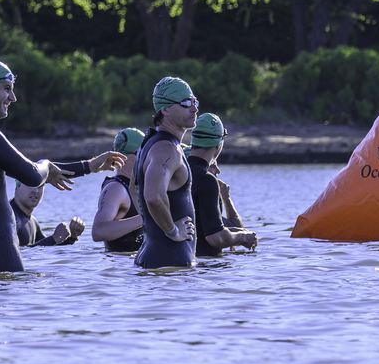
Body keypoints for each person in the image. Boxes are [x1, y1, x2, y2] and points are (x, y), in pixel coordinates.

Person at [0, 59, 120, 274]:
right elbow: (32, 174)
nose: (13, 97)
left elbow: (24, 168)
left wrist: (88, 167)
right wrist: (46, 164)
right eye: (7, 89)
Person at [131, 77, 200, 269]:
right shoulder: (166, 149)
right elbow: (152, 197)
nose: (194, 108)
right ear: (165, 109)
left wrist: (151, 224)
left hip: (152, 252)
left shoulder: (149, 143)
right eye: (186, 103)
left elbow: (132, 187)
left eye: (195, 102)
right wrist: (172, 231)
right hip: (170, 258)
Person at [186, 113, 258, 256]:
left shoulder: (180, 171)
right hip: (206, 268)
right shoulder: (207, 180)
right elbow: (214, 238)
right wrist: (243, 237)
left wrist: (241, 232)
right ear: (219, 145)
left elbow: (201, 227)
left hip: (179, 260)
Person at [92, 128, 147, 253]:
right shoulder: (116, 189)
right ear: (124, 157)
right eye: (142, 153)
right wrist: (146, 218)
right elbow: (98, 231)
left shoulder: (136, 185)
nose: (146, 157)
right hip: (121, 268)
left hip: (136, 265)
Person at [10, 181, 85, 247]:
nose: (36, 191)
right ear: (17, 188)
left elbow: (47, 248)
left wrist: (72, 237)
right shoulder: (8, 217)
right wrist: (54, 238)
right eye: (30, 185)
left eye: (40, 186)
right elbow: (9, 252)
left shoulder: (33, 221)